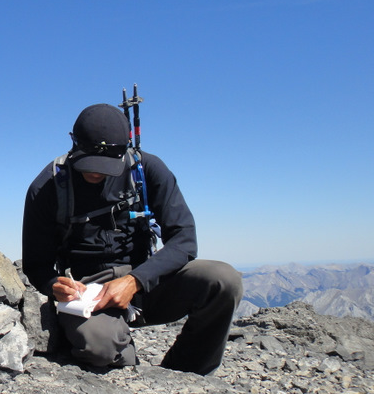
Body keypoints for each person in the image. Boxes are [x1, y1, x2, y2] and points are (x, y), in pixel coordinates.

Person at [22, 103, 242, 375]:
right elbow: (36, 265)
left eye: (106, 166)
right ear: (73, 144)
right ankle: (124, 361)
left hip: (148, 278)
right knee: (99, 349)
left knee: (223, 280)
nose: (96, 172)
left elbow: (184, 239)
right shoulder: (47, 187)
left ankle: (186, 372)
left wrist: (134, 281)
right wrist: (54, 284)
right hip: (90, 292)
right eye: (88, 162)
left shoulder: (147, 169)